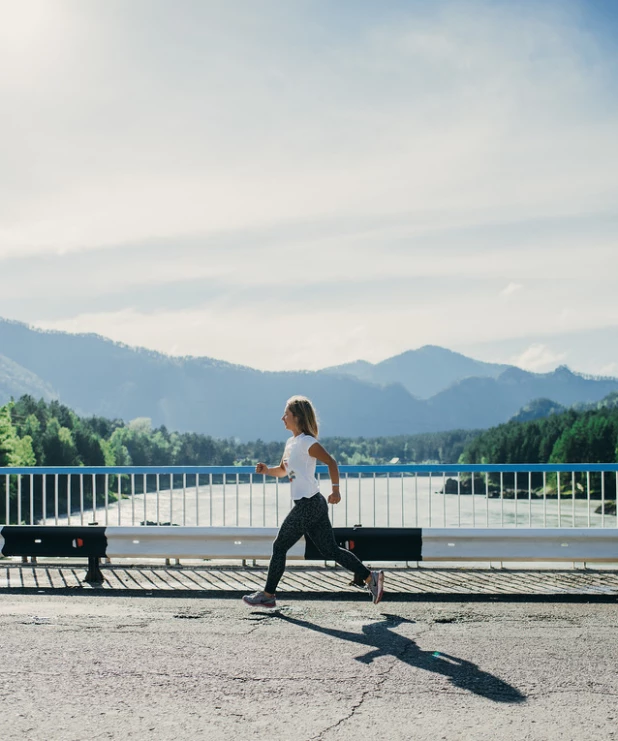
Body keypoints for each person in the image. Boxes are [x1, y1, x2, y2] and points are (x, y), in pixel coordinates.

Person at [242, 395, 384, 608]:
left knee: (279, 546)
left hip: (309, 503)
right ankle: (370, 577)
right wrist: (266, 471)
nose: (282, 418)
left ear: (297, 417)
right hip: (309, 503)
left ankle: (268, 594)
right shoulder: (291, 443)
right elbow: (283, 471)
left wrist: (336, 490)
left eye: (286, 414)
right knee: (330, 550)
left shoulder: (308, 442)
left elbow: (331, 462)